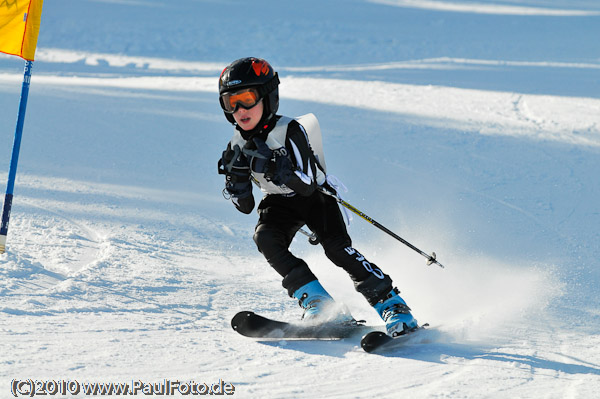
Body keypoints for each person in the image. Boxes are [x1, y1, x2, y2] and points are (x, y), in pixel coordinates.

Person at [217, 57, 418, 336]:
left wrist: (275, 168)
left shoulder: (289, 130)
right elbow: (245, 207)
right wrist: (237, 182)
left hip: (316, 198)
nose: (240, 110)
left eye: (247, 98)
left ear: (267, 96)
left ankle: (393, 305)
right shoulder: (236, 143)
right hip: (277, 201)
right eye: (231, 103)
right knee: (265, 238)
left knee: (337, 249)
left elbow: (307, 185)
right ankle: (319, 303)